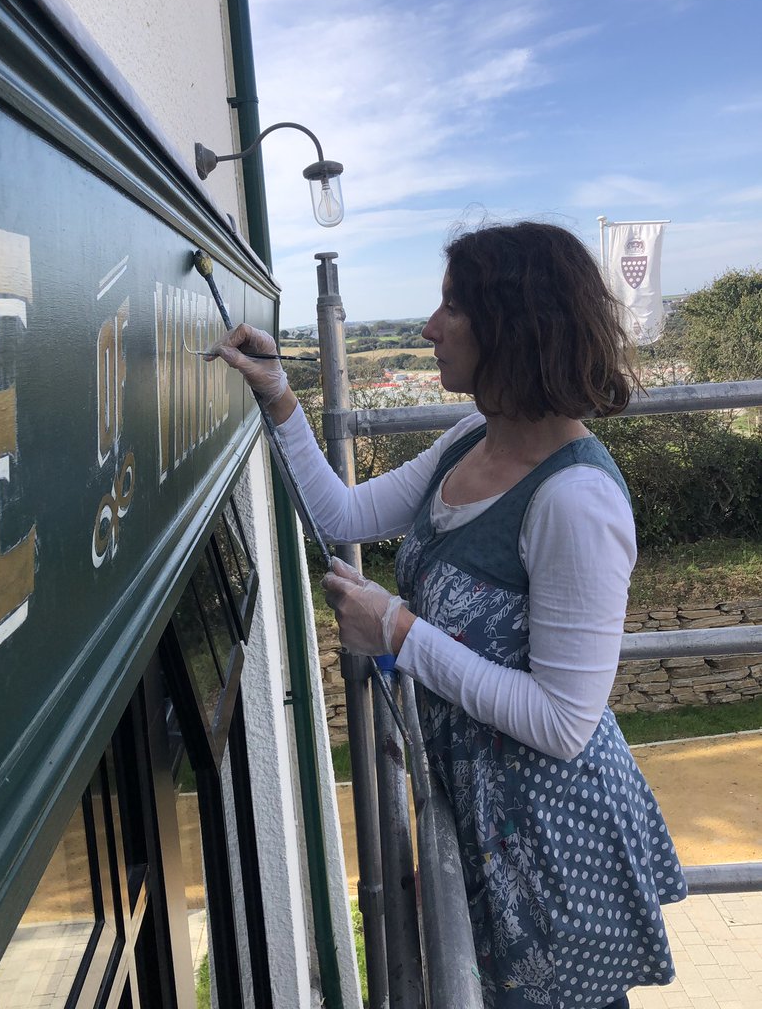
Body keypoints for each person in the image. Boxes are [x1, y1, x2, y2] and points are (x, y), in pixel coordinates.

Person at [210, 221, 686, 1009]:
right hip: (482, 822)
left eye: (450, 307)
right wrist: (279, 397)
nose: (429, 328)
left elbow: (567, 722)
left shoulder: (577, 500)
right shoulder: (473, 434)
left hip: (548, 844)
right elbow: (344, 514)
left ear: (513, 326)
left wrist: (399, 633)